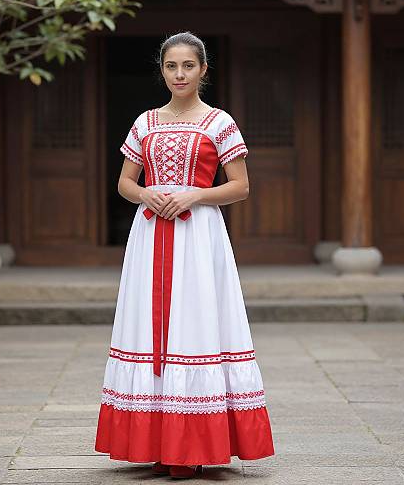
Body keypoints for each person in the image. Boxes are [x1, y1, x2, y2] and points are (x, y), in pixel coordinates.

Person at [94, 31, 275, 479]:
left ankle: (195, 442)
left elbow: (241, 186)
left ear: (203, 70)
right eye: (172, 66)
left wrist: (195, 196)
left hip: (199, 236)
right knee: (149, 327)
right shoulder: (145, 122)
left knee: (196, 324)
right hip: (150, 232)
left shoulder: (219, 123)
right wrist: (147, 194)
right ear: (162, 70)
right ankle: (156, 439)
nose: (180, 74)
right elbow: (124, 183)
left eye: (188, 66)